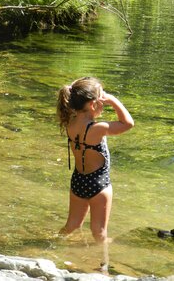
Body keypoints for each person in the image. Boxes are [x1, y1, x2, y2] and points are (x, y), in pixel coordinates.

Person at [56, 76, 134, 271]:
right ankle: (104, 267)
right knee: (99, 232)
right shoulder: (98, 129)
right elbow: (127, 123)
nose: (104, 102)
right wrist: (114, 101)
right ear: (92, 105)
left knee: (72, 225)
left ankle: (55, 249)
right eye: (102, 99)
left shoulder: (69, 123)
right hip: (99, 185)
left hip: (78, 182)